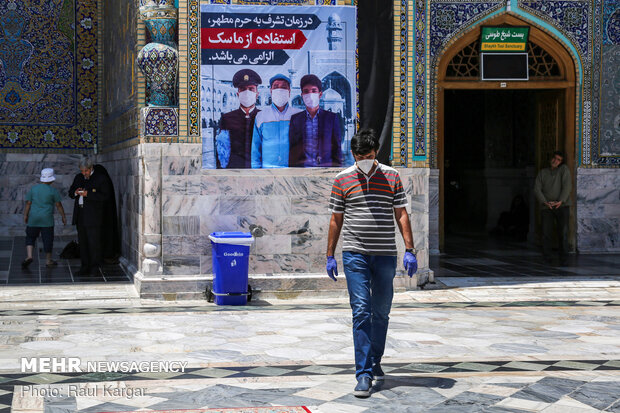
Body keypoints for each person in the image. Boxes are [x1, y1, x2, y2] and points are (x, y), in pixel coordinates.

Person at [325, 129, 418, 398]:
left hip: (384, 254)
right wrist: (330, 254)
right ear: (353, 155)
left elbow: (401, 212)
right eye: (360, 155)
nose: (365, 159)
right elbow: (336, 218)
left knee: (381, 311)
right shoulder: (342, 179)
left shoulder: (391, 176)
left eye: (370, 154)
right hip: (355, 253)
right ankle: (363, 373)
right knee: (361, 311)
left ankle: (375, 359)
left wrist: (409, 249)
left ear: (376, 152)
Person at [289, 74, 342, 167]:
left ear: (320, 94)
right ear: (302, 95)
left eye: (314, 91)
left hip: (325, 169)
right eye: (306, 91)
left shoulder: (331, 118)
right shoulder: (296, 119)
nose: (310, 94)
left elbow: (337, 148)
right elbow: (293, 149)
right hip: (302, 170)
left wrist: (336, 171)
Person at [69, 158, 111, 276]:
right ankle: (85, 266)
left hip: (94, 216)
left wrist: (89, 194)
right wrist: (76, 192)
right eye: (82, 171)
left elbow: (105, 196)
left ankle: (95, 268)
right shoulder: (78, 178)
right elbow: (70, 192)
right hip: (81, 215)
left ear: (91, 168)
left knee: (94, 243)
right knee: (83, 243)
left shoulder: (100, 178)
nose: (84, 173)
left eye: (86, 171)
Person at [251, 73, 301, 168]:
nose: (280, 90)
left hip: (293, 171)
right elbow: (256, 149)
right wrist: (256, 172)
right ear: (271, 91)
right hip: (268, 171)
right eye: (276, 87)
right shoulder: (261, 116)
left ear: (289, 91)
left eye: (283, 87)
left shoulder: (298, 115)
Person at [216, 69, 262, 169]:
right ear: (238, 94)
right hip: (234, 171)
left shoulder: (263, 116)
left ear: (257, 94)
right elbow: (221, 149)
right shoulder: (227, 118)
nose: (247, 92)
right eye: (243, 89)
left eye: (251, 89)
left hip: (258, 171)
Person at [22, 168, 67, 269]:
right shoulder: (53, 191)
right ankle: (48, 260)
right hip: (47, 220)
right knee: (48, 239)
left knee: (30, 237)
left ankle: (29, 256)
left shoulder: (33, 189)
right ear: (51, 179)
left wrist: (25, 215)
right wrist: (63, 216)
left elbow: (28, 203)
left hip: (33, 219)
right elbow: (58, 205)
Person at [534, 150, 571, 265]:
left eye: (559, 160)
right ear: (551, 158)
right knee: (546, 233)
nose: (555, 161)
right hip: (547, 207)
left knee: (563, 233)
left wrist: (560, 201)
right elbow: (537, 188)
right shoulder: (542, 173)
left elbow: (567, 186)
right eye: (555, 158)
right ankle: (547, 257)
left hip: (562, 206)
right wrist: (545, 202)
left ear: (561, 162)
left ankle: (564, 259)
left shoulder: (564, 170)